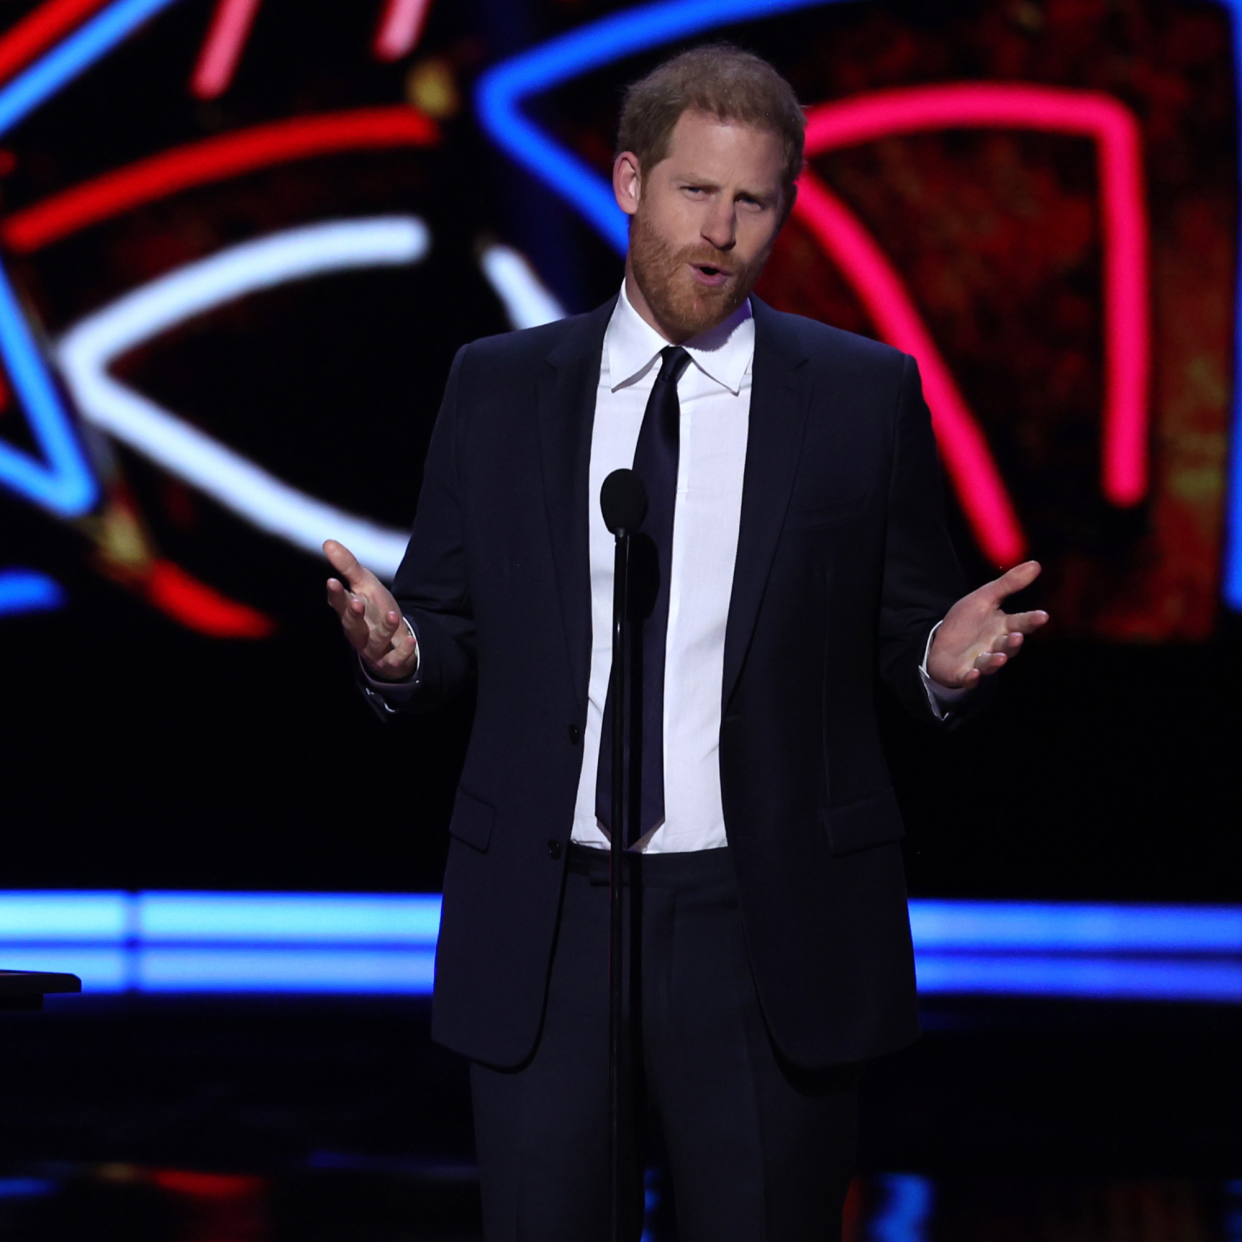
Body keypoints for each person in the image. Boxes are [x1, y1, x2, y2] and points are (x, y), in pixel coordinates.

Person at [324, 44, 1047, 1242]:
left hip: (767, 930)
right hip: (548, 925)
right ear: (626, 182)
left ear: (784, 210)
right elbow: (442, 620)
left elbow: (904, 630)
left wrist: (939, 660)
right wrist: (399, 656)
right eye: (694, 191)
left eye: (752, 199)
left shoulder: (862, 397)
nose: (720, 230)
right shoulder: (500, 387)